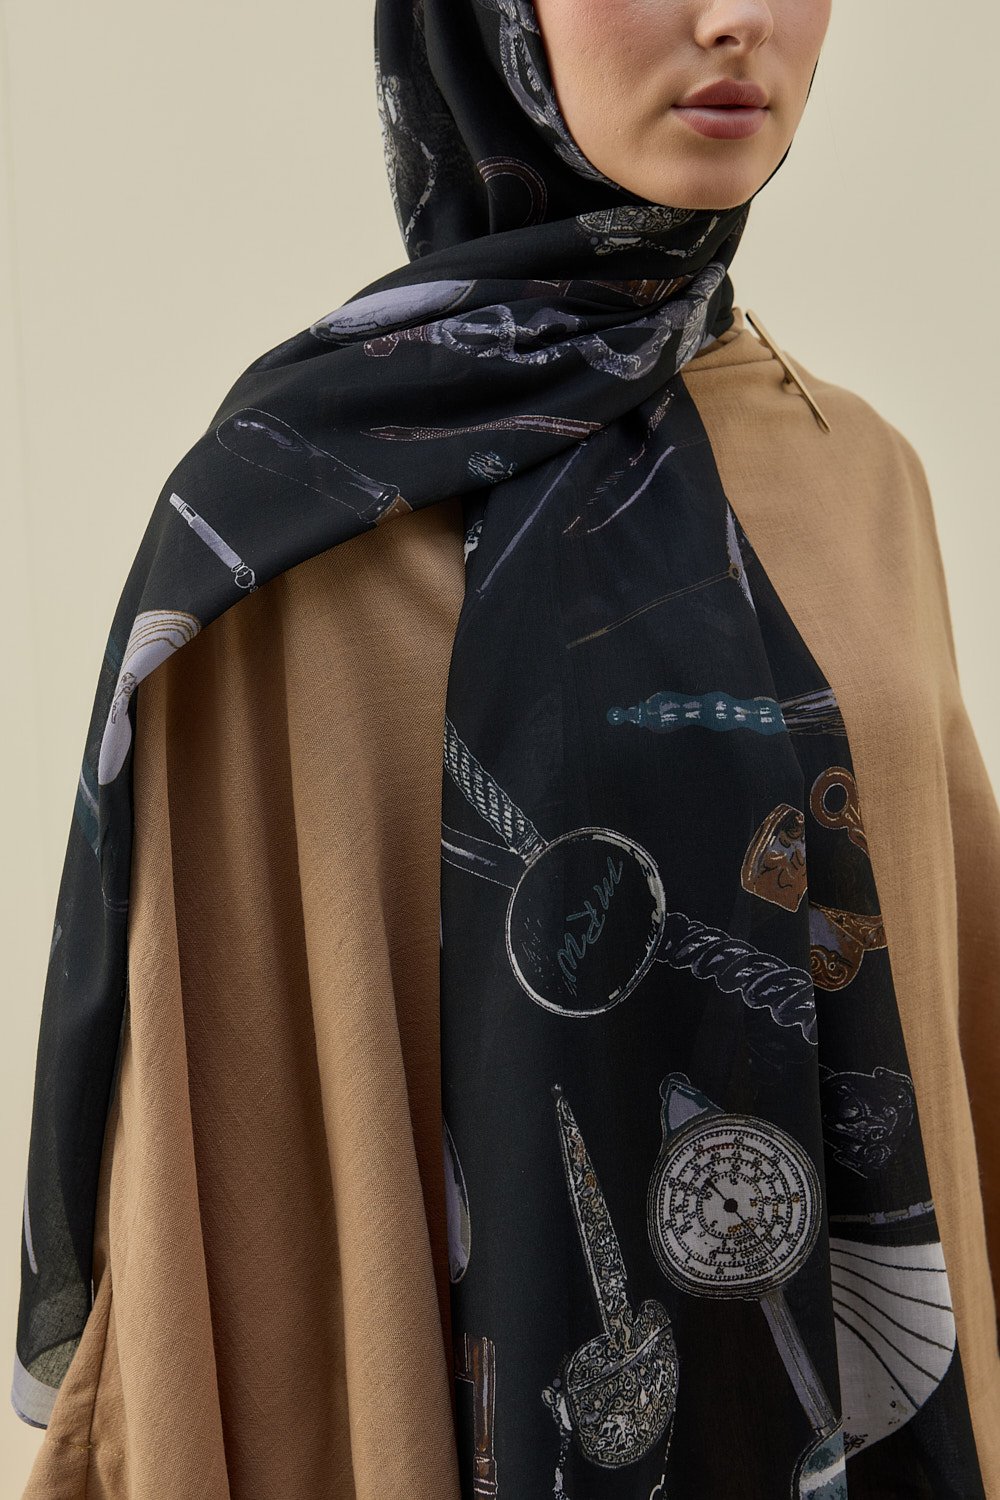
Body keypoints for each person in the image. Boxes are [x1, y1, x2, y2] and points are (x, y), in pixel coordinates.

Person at [11, 1, 1000, 1496]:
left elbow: (945, 1060)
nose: (736, 18)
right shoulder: (294, 531)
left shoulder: (864, 478)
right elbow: (242, 1202)